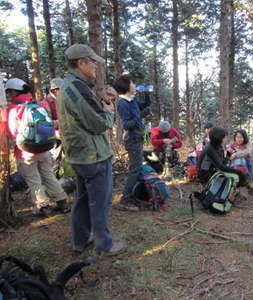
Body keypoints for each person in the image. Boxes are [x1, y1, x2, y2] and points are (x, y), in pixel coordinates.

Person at [57, 43, 125, 256]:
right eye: (92, 61)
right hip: (92, 155)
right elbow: (97, 123)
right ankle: (104, 245)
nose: (95, 66)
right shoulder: (77, 88)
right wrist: (108, 110)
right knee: (100, 201)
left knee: (83, 199)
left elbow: (84, 115)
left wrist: (101, 104)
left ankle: (80, 239)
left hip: (80, 155)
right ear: (81, 63)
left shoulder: (69, 85)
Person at [5, 78, 68, 216]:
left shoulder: (13, 110)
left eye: (9, 93)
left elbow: (11, 132)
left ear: (13, 92)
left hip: (25, 152)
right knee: (48, 175)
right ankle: (62, 201)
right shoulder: (37, 105)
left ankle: (43, 207)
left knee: (34, 180)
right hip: (45, 148)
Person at [113, 75, 151, 212]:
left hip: (138, 137)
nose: (135, 84)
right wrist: (140, 116)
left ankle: (136, 194)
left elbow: (145, 105)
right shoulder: (123, 103)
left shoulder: (133, 99)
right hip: (131, 139)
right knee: (134, 170)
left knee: (137, 168)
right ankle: (125, 200)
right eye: (132, 83)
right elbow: (127, 125)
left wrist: (147, 93)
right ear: (127, 87)